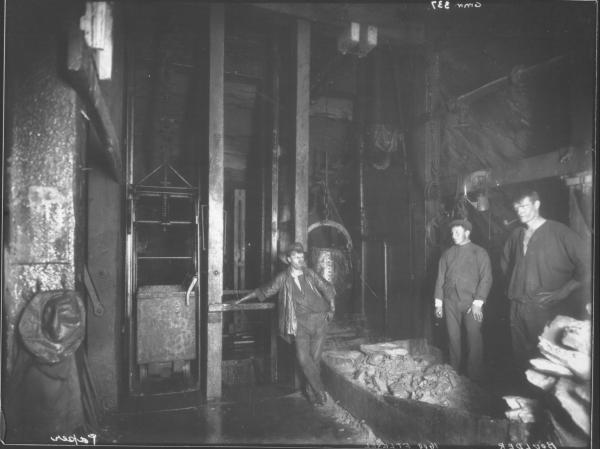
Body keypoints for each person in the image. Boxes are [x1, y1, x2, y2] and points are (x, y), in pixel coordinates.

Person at [501, 188, 588, 374]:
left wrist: (564, 291)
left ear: (537, 204)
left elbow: (588, 263)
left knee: (545, 361)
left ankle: (543, 402)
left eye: (524, 206)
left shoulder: (559, 232)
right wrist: (516, 285)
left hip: (545, 308)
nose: (520, 211)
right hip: (517, 306)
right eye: (516, 208)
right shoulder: (516, 235)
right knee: (520, 359)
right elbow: (505, 265)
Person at [236, 242, 336, 405]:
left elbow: (327, 288)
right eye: (296, 258)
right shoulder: (283, 278)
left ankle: (311, 393)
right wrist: (242, 298)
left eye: (301, 257)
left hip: (319, 320)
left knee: (315, 359)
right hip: (299, 324)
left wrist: (332, 308)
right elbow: (265, 290)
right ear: (289, 259)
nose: (300, 260)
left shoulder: (310, 273)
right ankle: (320, 391)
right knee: (303, 358)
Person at [434, 218, 492, 382]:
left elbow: (486, 278)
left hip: (471, 303)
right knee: (453, 338)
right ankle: (453, 375)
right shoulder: (447, 254)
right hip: (450, 302)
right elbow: (440, 279)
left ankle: (474, 379)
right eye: (452, 233)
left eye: (457, 233)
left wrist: (478, 303)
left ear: (467, 233)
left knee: (474, 339)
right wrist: (438, 303)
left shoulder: (479, 252)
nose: (453, 236)